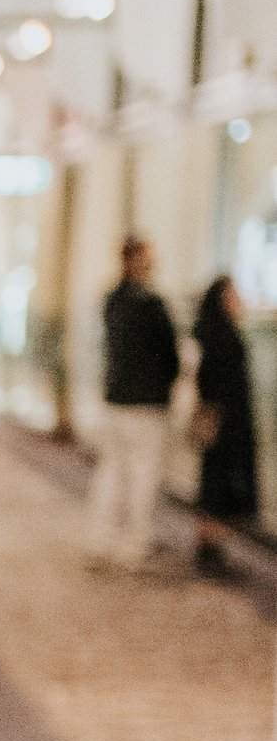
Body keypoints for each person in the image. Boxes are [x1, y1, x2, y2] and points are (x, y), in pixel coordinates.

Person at [87, 232, 181, 570]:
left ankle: (101, 540)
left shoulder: (112, 301)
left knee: (112, 472)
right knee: (142, 475)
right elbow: (170, 356)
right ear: (137, 260)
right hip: (146, 405)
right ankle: (134, 543)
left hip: (117, 401)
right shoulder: (152, 305)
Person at [192, 270, 260, 576]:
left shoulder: (215, 330)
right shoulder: (219, 333)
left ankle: (211, 542)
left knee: (217, 477)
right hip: (223, 419)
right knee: (219, 478)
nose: (239, 300)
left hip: (225, 418)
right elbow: (212, 378)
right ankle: (208, 543)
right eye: (233, 294)